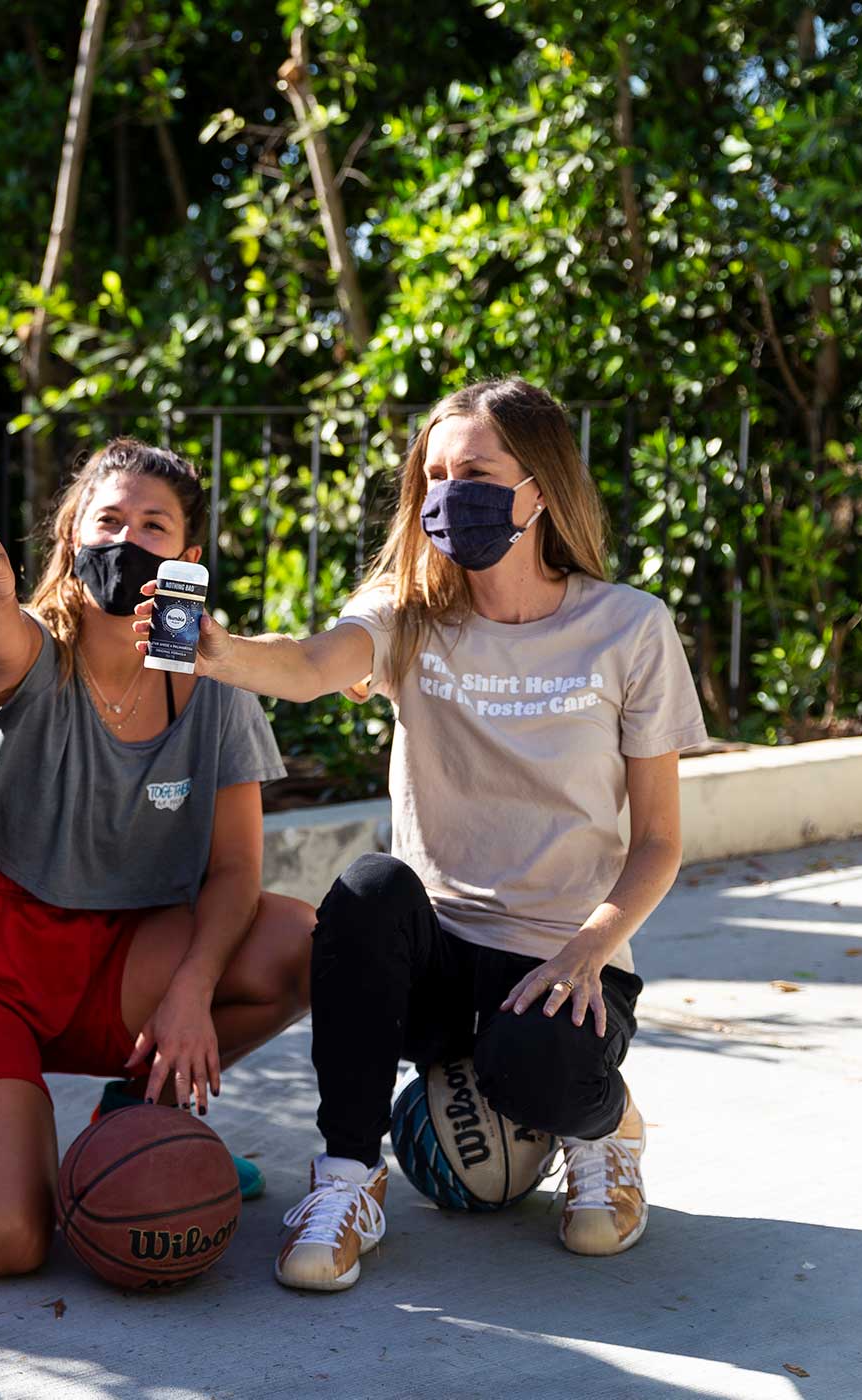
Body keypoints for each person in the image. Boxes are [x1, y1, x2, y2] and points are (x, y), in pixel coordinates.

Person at [138, 378, 706, 1291]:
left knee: (541, 1079)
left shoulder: (629, 627)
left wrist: (588, 950)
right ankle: (348, 1179)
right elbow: (316, 663)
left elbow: (659, 842)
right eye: (434, 476)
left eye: (474, 471)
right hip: (434, 957)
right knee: (366, 889)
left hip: (559, 958)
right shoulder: (407, 611)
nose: (449, 495)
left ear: (540, 487)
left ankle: (606, 1130)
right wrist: (220, 652)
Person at [0, 438, 315, 1279]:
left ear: (188, 557)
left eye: (153, 526)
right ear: (70, 540)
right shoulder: (30, 650)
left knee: (301, 941)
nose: (128, 539)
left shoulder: (217, 678)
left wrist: (192, 990)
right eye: (108, 520)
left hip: (118, 953)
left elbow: (236, 870)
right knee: (1, 1243)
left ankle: (139, 1115)